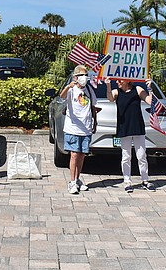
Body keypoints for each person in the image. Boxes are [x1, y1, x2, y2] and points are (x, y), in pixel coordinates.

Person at [105, 77, 155, 192]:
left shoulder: (137, 89)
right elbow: (110, 98)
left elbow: (149, 101)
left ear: (127, 80)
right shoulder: (117, 92)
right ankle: (127, 181)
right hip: (124, 127)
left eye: (119, 80)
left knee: (141, 155)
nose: (117, 82)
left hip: (137, 126)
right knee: (126, 156)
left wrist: (150, 88)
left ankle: (145, 180)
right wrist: (108, 85)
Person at [60, 65, 98, 194]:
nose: (84, 78)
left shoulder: (89, 90)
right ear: (75, 77)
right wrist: (68, 87)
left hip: (86, 128)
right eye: (81, 75)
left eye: (86, 75)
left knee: (82, 155)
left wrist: (95, 122)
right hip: (73, 127)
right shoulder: (71, 90)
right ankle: (72, 182)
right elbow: (62, 96)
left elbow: (93, 106)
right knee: (74, 154)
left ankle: (77, 179)